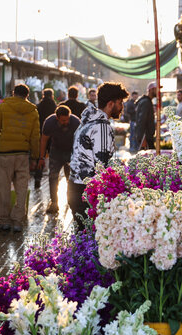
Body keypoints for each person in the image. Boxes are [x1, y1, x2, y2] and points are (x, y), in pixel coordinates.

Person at [68, 82, 128, 231]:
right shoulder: (101, 126)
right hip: (87, 191)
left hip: (75, 187)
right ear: (110, 103)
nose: (122, 107)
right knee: (90, 239)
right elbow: (102, 166)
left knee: (81, 238)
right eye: (120, 103)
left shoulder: (88, 121)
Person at [0, 84, 40, 232]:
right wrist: (35, 157)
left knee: (3, 188)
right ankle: (18, 221)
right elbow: (35, 137)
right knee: (22, 188)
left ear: (13, 93)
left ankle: (4, 220)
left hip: (5, 154)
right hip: (23, 155)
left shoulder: (4, 107)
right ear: (27, 95)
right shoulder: (33, 111)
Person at [38, 105, 80, 214]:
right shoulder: (49, 122)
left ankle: (72, 201)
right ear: (57, 118)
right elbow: (44, 140)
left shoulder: (76, 122)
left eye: (67, 119)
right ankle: (54, 202)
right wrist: (41, 157)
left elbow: (81, 141)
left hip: (71, 152)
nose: (66, 122)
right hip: (55, 151)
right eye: (63, 120)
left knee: (71, 178)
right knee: (53, 177)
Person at [34, 88, 57, 188]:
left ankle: (37, 178)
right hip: (53, 135)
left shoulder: (38, 106)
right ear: (52, 95)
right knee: (53, 158)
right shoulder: (55, 106)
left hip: (41, 134)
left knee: (41, 156)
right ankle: (52, 179)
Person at [132, 81, 159, 152]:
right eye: (157, 89)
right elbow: (141, 121)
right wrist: (142, 138)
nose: (158, 91)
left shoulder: (147, 101)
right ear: (151, 90)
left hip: (147, 136)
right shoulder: (146, 102)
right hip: (146, 137)